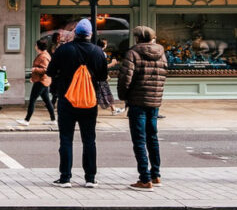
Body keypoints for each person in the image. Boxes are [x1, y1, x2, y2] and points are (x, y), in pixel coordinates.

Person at [47, 19, 108, 187]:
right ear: (90, 34)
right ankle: (90, 178)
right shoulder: (98, 52)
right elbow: (103, 77)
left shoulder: (63, 50)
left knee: (66, 139)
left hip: (67, 99)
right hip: (89, 101)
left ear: (75, 33)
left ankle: (65, 177)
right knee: (89, 140)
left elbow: (50, 71)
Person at [118, 25, 167, 189]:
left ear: (137, 38)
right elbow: (163, 75)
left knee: (139, 140)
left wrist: (123, 95)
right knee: (152, 137)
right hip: (154, 101)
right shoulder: (161, 53)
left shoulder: (133, 52)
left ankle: (144, 178)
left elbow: (126, 77)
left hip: (137, 101)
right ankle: (156, 175)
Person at [19, 38, 56, 125]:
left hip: (41, 81)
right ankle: (53, 120)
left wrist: (34, 69)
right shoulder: (43, 54)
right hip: (43, 81)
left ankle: (26, 120)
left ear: (38, 46)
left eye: (36, 45)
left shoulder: (44, 56)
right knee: (47, 101)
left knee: (32, 100)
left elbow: (45, 69)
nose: (35, 46)